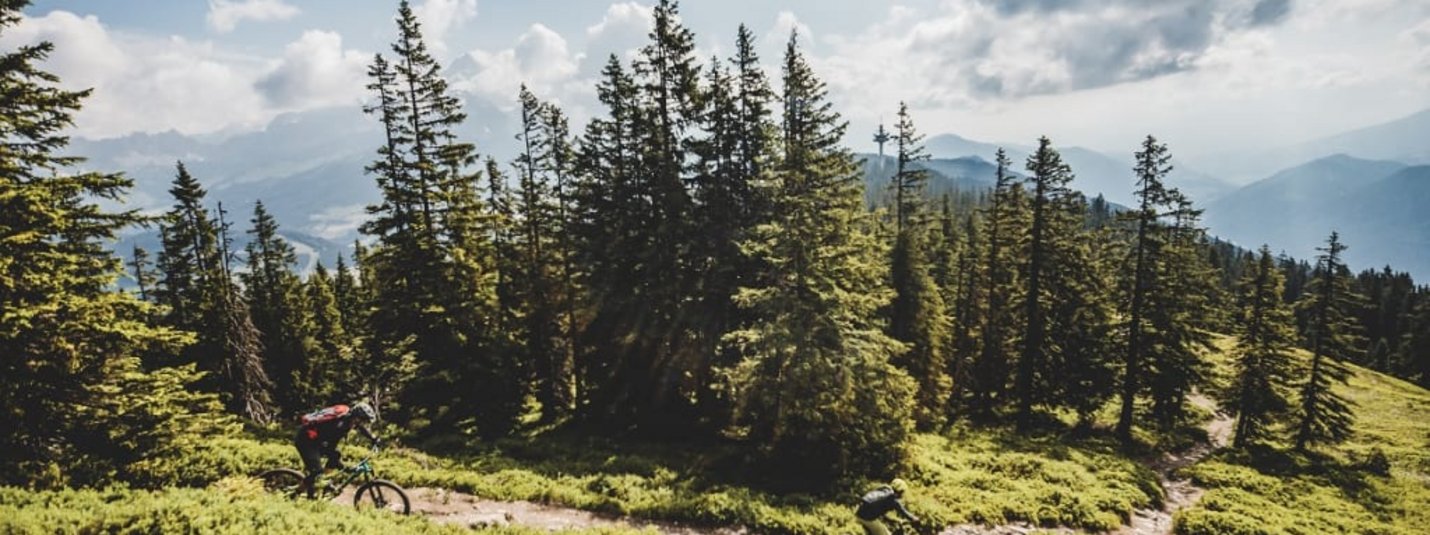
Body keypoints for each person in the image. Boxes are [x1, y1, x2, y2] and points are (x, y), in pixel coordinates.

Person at [294, 401, 380, 498]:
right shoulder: (339, 425)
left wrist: (372, 438)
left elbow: (361, 428)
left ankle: (324, 480)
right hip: (306, 441)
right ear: (357, 417)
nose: (363, 423)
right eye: (363, 420)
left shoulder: (349, 417)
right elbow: (330, 445)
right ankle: (295, 494)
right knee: (317, 471)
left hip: (317, 440)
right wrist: (344, 467)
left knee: (335, 456)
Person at [855, 478, 919, 535]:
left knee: (882, 528)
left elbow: (881, 511)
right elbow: (904, 512)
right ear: (899, 491)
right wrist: (915, 519)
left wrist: (897, 520)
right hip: (865, 517)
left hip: (859, 509)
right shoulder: (892, 499)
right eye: (902, 492)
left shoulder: (884, 489)